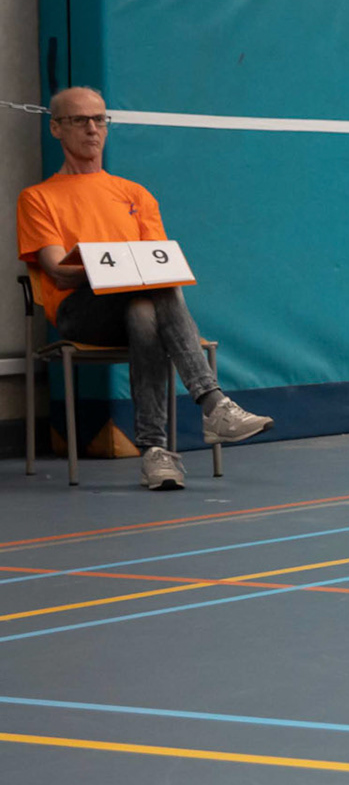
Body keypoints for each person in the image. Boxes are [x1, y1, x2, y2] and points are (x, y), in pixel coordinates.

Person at [16, 87, 273, 490]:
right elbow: (58, 270)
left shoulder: (135, 194)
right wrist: (117, 270)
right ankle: (213, 403)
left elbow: (158, 267)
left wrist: (120, 270)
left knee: (145, 309)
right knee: (155, 292)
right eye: (79, 120)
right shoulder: (38, 197)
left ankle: (155, 453)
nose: (92, 129)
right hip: (80, 313)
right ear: (56, 128)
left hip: (134, 311)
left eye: (99, 119)